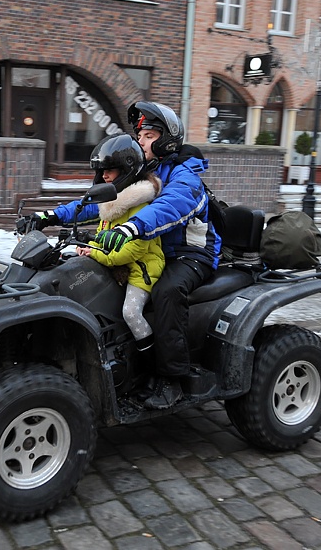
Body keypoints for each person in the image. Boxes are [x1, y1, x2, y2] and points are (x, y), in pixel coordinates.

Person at [31, 102, 221, 409]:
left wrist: (132, 228)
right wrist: (52, 216)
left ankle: (172, 380)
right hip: (148, 248)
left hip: (189, 254)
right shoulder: (143, 171)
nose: (141, 141)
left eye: (148, 135)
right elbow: (106, 203)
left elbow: (169, 206)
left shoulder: (186, 175)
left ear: (167, 138)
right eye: (140, 135)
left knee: (168, 292)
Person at [73, 134, 164, 352]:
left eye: (109, 170)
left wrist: (95, 254)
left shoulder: (140, 206)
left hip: (142, 271)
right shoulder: (112, 202)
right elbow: (101, 234)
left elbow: (130, 252)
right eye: (101, 171)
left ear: (125, 171)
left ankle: (149, 357)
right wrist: (87, 248)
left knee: (130, 312)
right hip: (121, 268)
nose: (103, 175)